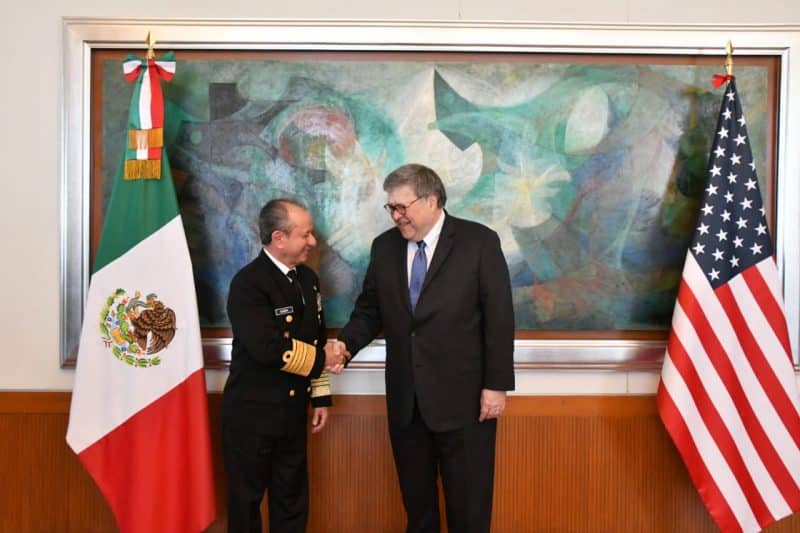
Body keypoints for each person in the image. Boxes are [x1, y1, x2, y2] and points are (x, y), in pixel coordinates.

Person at [329, 163, 515, 533]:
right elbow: (370, 310)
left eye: (403, 207)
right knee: (418, 512)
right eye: (391, 208)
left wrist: (496, 385)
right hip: (406, 403)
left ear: (432, 200)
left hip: (465, 403)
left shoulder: (479, 242)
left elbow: (499, 317)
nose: (397, 216)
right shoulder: (385, 248)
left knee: (469, 511)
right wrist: (345, 345)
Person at [222, 198, 340, 533]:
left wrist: (320, 396)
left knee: (292, 503)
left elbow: (315, 336)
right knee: (246, 506)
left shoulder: (308, 280)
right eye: (305, 235)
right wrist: (324, 360)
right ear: (279, 238)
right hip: (252, 416)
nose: (312, 241)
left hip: (291, 414)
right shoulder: (249, 283)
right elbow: (268, 349)